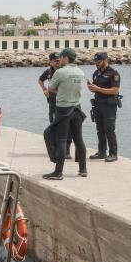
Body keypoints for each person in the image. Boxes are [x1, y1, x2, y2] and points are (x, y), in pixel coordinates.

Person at [42, 48, 88, 180]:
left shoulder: (60, 72)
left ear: (66, 58)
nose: (59, 60)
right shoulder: (80, 71)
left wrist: (59, 89)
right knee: (79, 139)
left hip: (63, 109)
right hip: (77, 108)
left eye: (61, 57)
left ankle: (58, 172)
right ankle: (83, 169)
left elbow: (50, 88)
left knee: (61, 140)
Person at [88, 52, 121, 162]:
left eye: (98, 61)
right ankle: (102, 152)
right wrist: (92, 88)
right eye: (95, 62)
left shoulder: (113, 73)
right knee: (100, 129)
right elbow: (95, 88)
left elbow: (115, 90)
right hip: (98, 104)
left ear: (105, 60)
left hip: (109, 105)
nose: (96, 64)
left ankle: (113, 153)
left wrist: (98, 89)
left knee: (109, 129)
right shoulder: (96, 73)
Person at [38, 52, 71, 159]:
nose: (58, 62)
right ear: (50, 62)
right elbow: (40, 80)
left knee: (67, 127)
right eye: (55, 61)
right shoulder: (48, 72)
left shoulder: (64, 71)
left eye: (59, 60)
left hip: (64, 103)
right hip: (52, 103)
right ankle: (56, 149)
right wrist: (44, 90)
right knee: (53, 125)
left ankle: (67, 150)